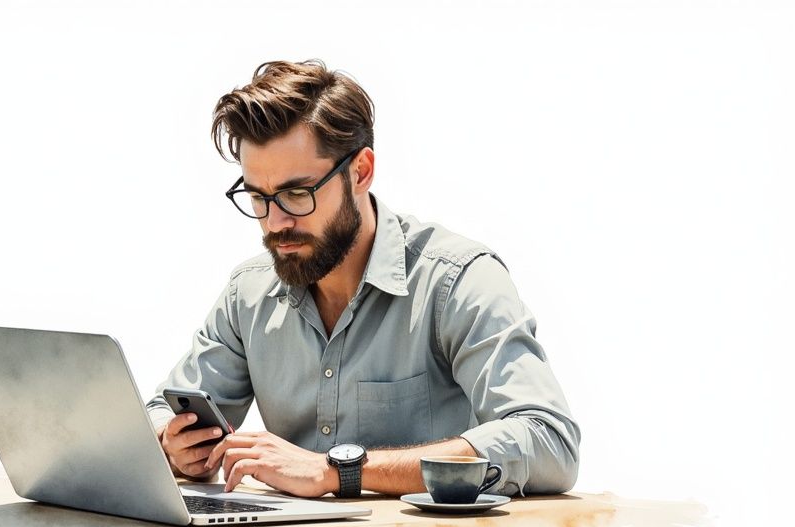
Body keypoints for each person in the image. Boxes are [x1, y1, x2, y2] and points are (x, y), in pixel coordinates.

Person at [146, 59, 579, 499]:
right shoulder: (249, 295)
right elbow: (161, 410)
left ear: (361, 172)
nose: (275, 222)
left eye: (297, 194)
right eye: (258, 197)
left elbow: (549, 441)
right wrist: (173, 443)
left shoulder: (457, 280)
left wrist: (338, 471)